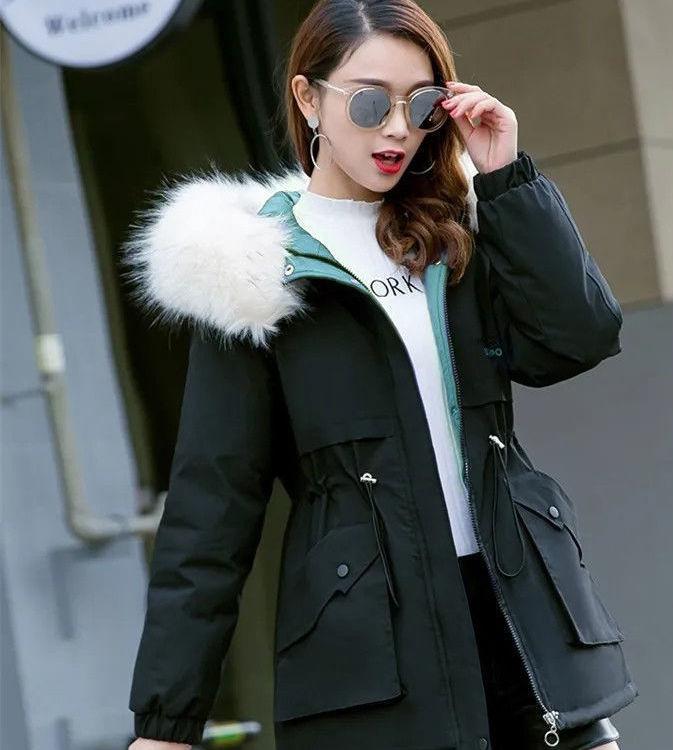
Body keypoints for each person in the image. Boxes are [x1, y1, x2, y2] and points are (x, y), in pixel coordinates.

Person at [123, 1, 638, 749]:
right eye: (370, 103)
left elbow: (578, 338)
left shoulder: (454, 233)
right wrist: (167, 723)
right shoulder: (249, 269)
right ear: (309, 100)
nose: (397, 128)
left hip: (528, 632)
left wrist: (504, 177)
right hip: (378, 665)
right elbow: (212, 513)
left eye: (421, 105)